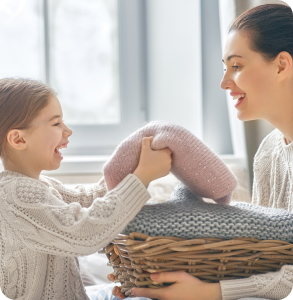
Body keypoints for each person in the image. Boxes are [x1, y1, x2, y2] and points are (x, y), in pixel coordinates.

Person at [122, 3, 293, 300]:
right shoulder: (268, 153)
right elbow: (267, 255)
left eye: (236, 66)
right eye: (225, 68)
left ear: (281, 65)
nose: (225, 82)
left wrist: (213, 291)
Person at [0, 77, 172, 300]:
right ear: (18, 139)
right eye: (56, 123)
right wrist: (140, 178)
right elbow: (85, 233)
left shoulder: (41, 186)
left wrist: (134, 166)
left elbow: (90, 199)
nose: (68, 130)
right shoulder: (14, 196)